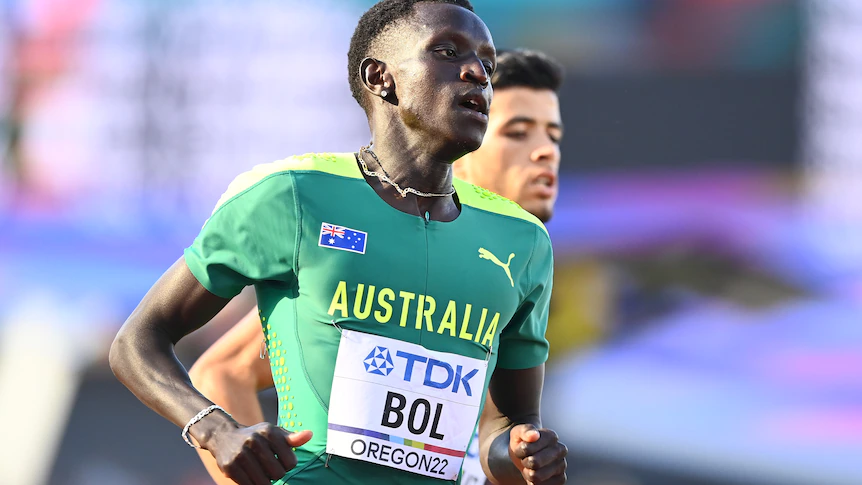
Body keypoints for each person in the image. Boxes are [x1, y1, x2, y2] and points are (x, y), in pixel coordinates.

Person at [110, 1, 567, 484]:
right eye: (448, 52)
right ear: (380, 77)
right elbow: (137, 342)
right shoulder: (292, 195)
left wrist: (524, 455)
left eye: (488, 65)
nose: (477, 72)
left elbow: (504, 429)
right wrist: (216, 428)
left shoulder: (523, 242)